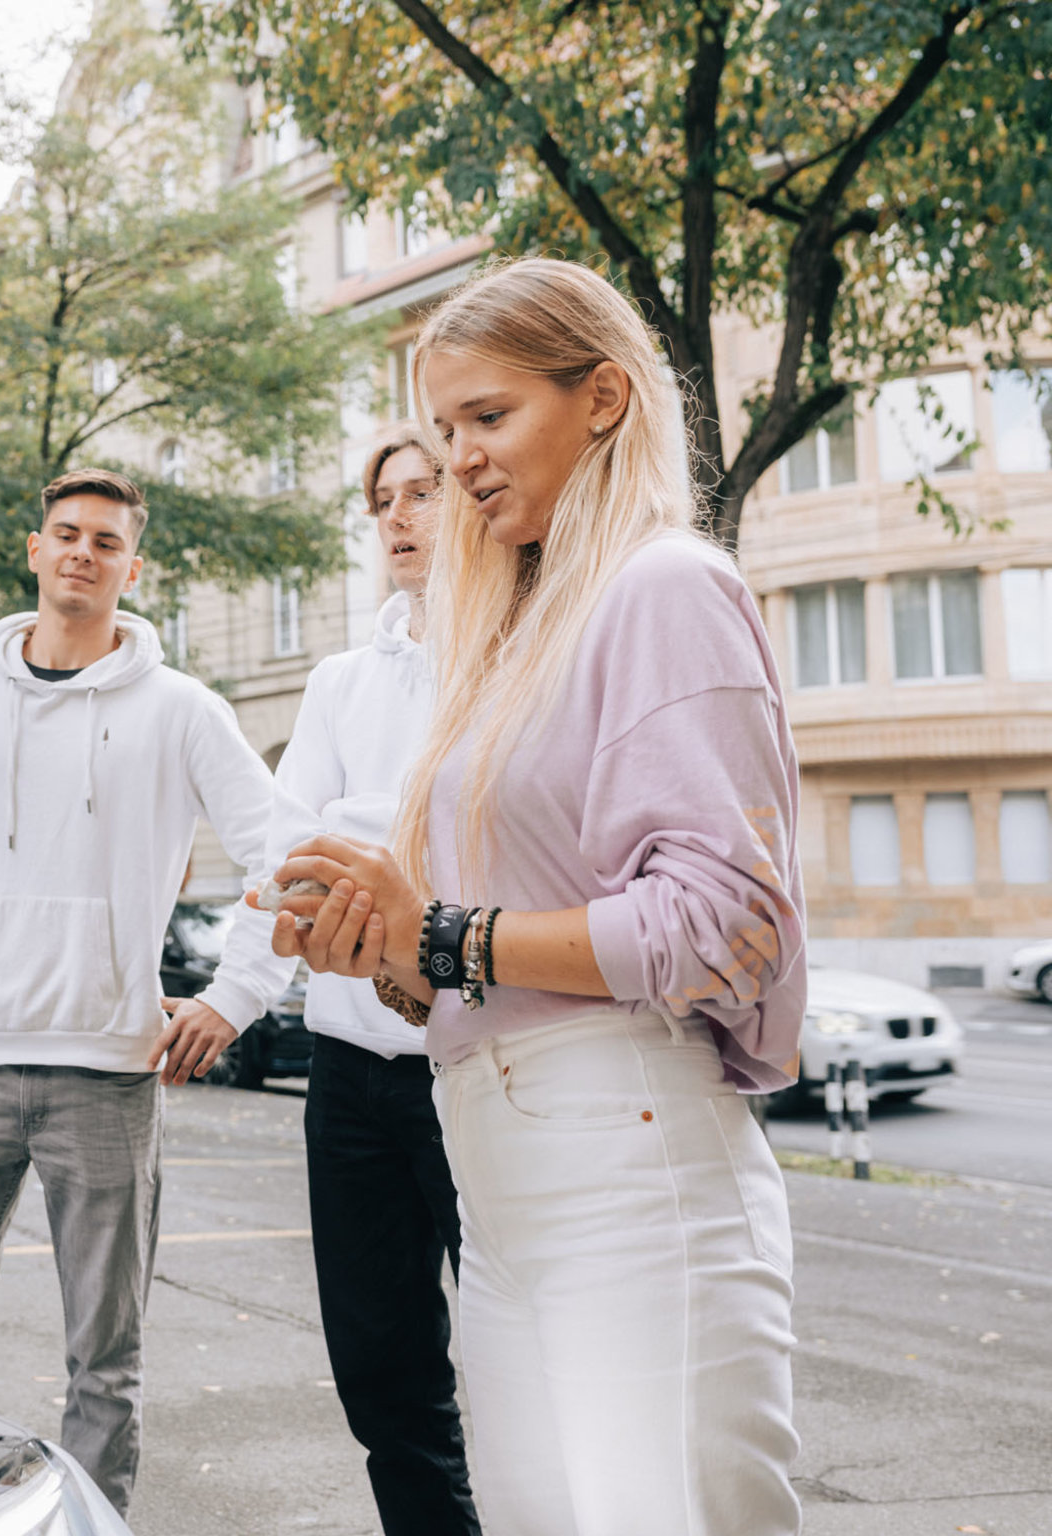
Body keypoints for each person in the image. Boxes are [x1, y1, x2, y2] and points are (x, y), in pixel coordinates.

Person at [266, 257, 805, 1534]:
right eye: (443, 427)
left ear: (605, 397)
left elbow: (722, 921)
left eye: (487, 417)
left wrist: (441, 933)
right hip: (496, 1175)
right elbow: (468, 956)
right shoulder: (507, 636)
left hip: (625, 1162)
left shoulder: (663, 586)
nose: (456, 458)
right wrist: (384, 950)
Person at [0, 468, 292, 1514]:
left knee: (105, 1362)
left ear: (133, 568)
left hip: (109, 1076)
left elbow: (281, 854)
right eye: (65, 534)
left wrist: (235, 995)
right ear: (33, 549)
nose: (82, 552)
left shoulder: (183, 711)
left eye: (105, 541)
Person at [265, 424, 480, 1536]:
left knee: (510, 1363)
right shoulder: (340, 680)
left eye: (422, 492)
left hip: (473, 1067)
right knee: (382, 1370)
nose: (398, 518)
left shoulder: (513, 657)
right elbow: (286, 854)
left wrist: (368, 841)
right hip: (347, 1074)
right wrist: (377, 843)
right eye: (380, 501)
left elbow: (464, 850)